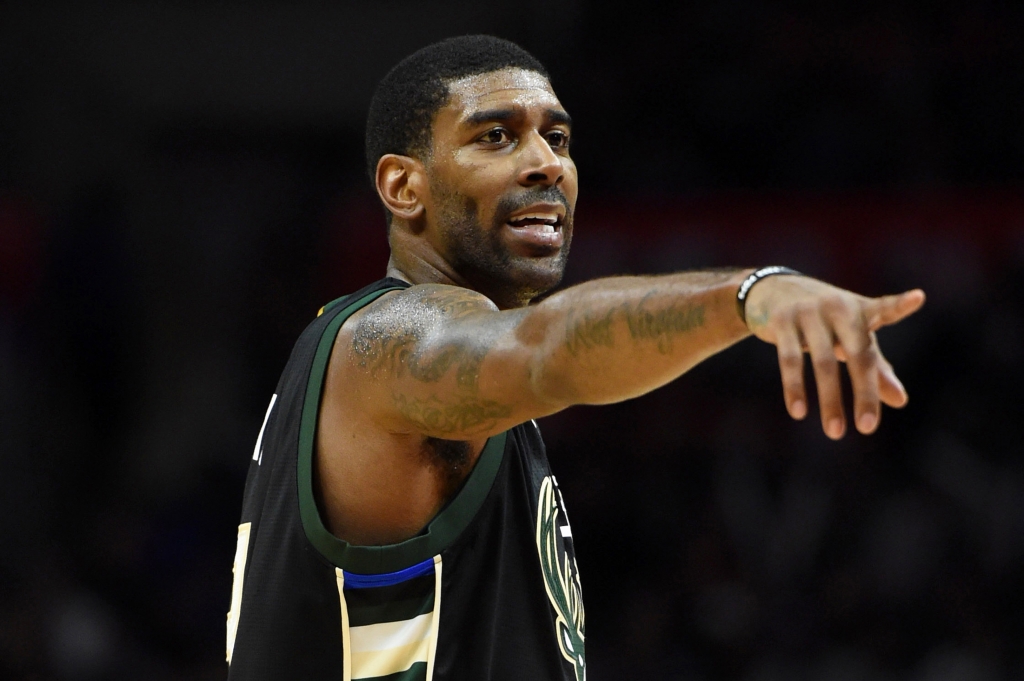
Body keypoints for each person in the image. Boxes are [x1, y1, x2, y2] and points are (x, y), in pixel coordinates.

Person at [224, 35, 925, 680]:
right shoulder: (392, 340)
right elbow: (545, 351)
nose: (546, 162)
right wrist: (748, 295)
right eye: (495, 137)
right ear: (404, 188)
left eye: (557, 136)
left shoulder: (424, 377)